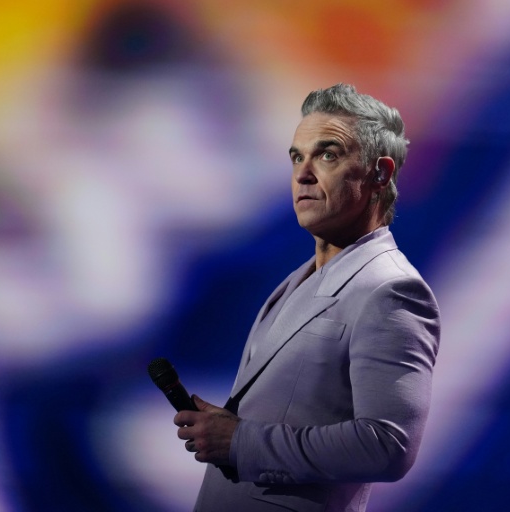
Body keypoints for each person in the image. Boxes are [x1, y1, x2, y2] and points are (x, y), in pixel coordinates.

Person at [174, 83, 441, 512]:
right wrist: (224, 429)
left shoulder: (391, 291)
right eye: (297, 157)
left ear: (380, 174)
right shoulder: (296, 280)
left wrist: (241, 441)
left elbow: (387, 445)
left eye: (328, 155)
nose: (303, 174)